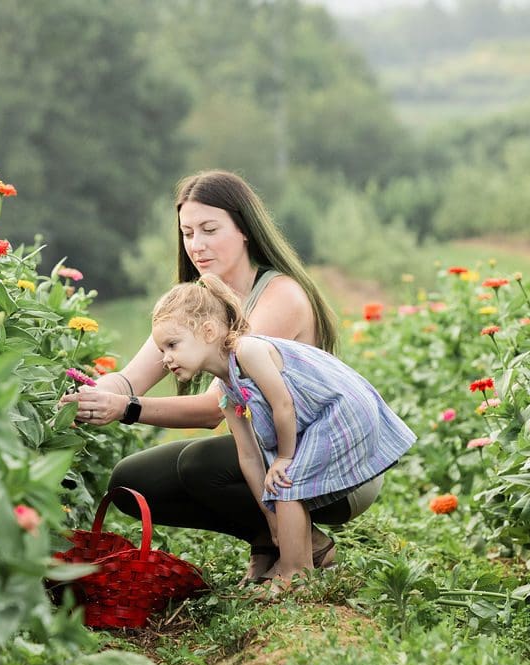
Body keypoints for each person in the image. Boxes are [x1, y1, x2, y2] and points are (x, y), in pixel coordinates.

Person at [60, 169, 380, 581]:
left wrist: (126, 409)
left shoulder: (279, 295)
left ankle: (304, 551)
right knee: (132, 480)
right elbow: (129, 379)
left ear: (244, 229)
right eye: (188, 233)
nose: (197, 245)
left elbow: (215, 407)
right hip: (272, 453)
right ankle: (270, 540)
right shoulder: (198, 305)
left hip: (328, 461)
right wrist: (91, 393)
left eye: (210, 229)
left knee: (198, 464)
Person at [149, 274, 415, 588]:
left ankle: (294, 574)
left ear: (207, 331)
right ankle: (299, 568)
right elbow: (249, 456)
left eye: (172, 345)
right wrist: (269, 515)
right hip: (319, 420)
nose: (166, 358)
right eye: (162, 349)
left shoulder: (248, 351)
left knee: (287, 478)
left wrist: (285, 457)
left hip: (341, 409)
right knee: (280, 486)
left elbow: (283, 405)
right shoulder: (225, 388)